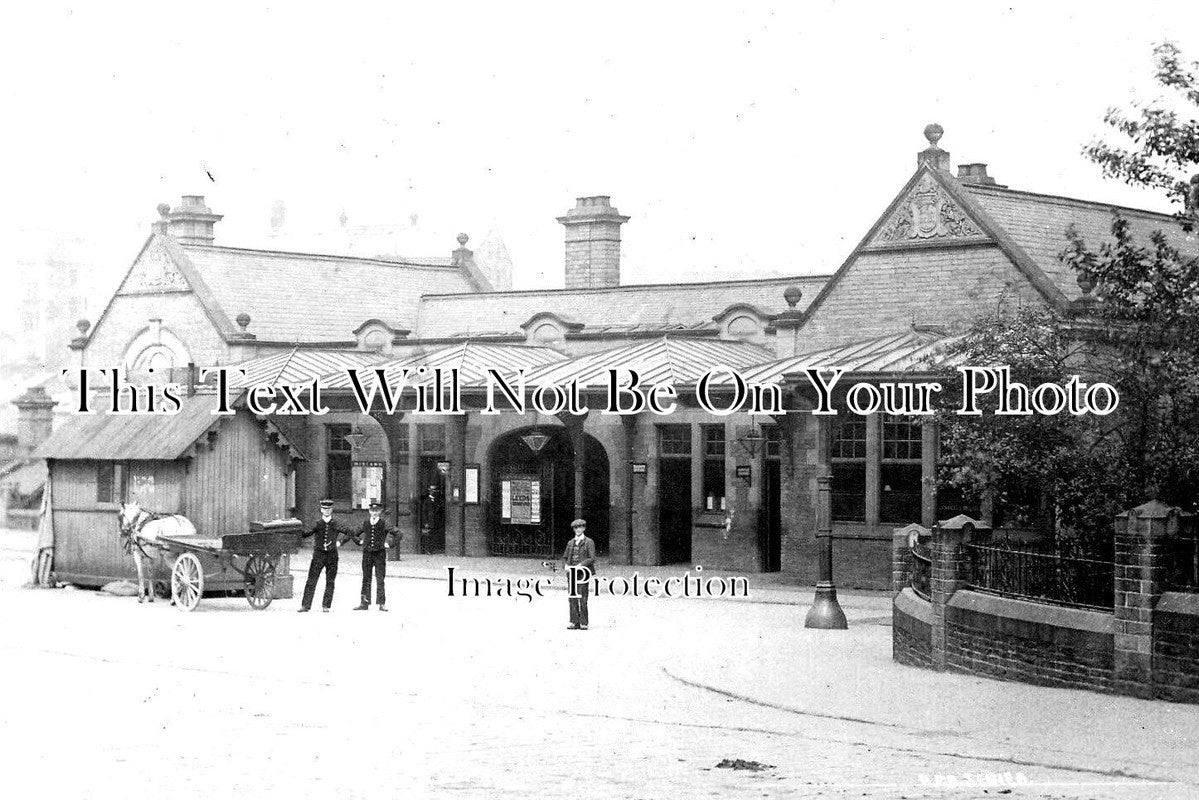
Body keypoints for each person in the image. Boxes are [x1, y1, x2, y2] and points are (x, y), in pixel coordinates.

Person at [298, 499, 352, 612]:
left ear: (332, 510)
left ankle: (326, 605)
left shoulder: (336, 523)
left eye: (329, 509)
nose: (326, 511)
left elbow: (349, 532)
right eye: (324, 509)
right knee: (311, 580)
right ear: (321, 510)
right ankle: (305, 605)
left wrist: (340, 542)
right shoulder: (317, 523)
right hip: (318, 555)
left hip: (332, 555)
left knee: (330, 581)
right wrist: (296, 530)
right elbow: (306, 533)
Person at [354, 500, 398, 611]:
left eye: (376, 511)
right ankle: (364, 603)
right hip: (367, 554)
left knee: (380, 579)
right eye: (372, 511)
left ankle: (381, 604)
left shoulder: (384, 523)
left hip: (379, 554)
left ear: (380, 512)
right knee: (366, 578)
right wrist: (359, 541)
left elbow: (398, 533)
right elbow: (354, 533)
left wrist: (389, 544)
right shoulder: (365, 523)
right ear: (369, 511)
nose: (374, 513)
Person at [562, 518, 596, 630]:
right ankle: (574, 621)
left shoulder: (589, 542)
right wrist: (565, 565)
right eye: (575, 528)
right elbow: (565, 557)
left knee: (583, 597)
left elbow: (592, 558)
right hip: (572, 573)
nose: (578, 530)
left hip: (583, 573)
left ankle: (584, 622)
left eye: (580, 527)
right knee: (572, 597)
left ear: (584, 528)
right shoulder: (570, 543)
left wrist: (581, 565)